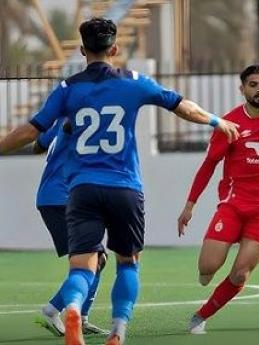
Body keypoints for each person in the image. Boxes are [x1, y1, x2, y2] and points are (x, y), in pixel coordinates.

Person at [0, 17, 239, 345]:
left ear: (83, 50)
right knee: (128, 263)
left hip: (82, 189)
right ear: (114, 48)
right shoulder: (134, 82)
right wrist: (216, 120)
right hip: (125, 186)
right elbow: (181, 105)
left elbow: (32, 132)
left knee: (82, 267)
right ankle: (118, 332)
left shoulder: (68, 89)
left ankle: (72, 307)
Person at [177, 63, 259, 334]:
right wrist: (190, 205)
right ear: (242, 89)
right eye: (253, 85)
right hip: (234, 204)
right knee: (206, 270)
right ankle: (212, 264)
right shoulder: (229, 124)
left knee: (240, 273)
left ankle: (200, 317)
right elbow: (209, 164)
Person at [33, 118, 108, 337]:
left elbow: (37, 145)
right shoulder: (78, 116)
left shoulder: (60, 121)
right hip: (61, 199)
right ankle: (52, 310)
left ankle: (81, 317)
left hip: (57, 198)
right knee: (90, 261)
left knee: (98, 259)